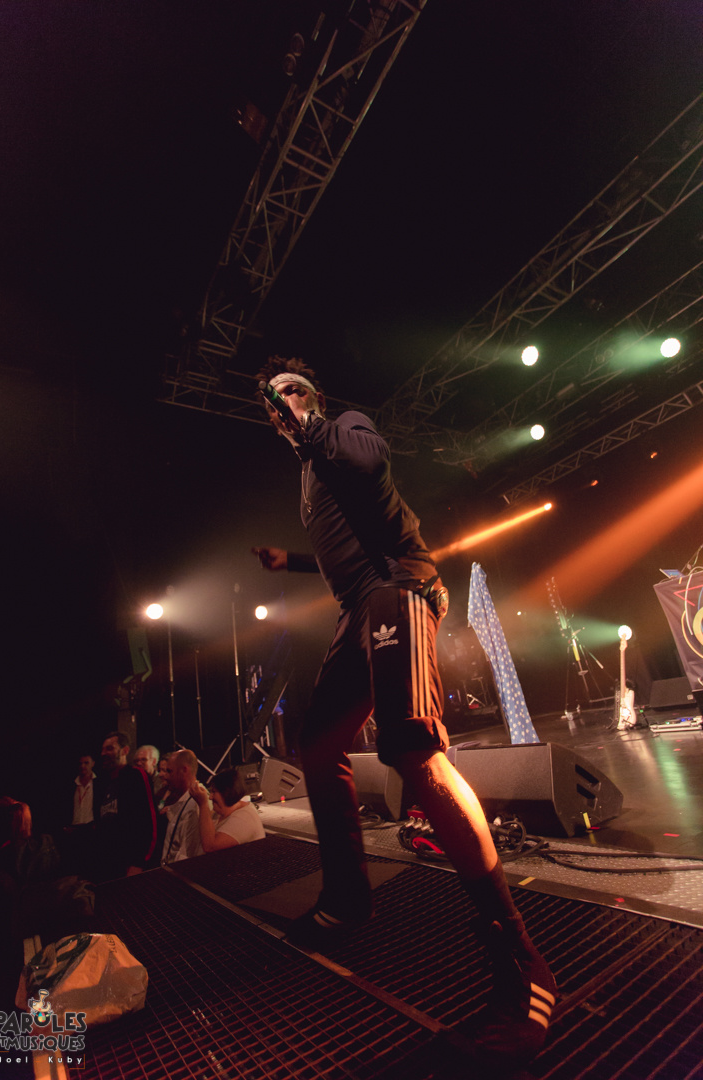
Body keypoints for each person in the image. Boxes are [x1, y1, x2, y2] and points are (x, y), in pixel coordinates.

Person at [253, 357, 556, 1066]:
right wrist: (293, 562)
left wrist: (309, 418)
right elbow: (344, 538)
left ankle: (523, 963)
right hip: (357, 606)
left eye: (297, 392)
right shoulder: (310, 471)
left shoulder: (345, 427)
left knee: (414, 751)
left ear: (314, 398)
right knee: (318, 745)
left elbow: (370, 460)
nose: (288, 404)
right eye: (279, 400)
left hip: (398, 589)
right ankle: (347, 898)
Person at [93, 731, 158, 880]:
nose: (103, 753)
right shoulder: (101, 783)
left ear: (125, 751)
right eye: (102, 749)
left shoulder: (135, 776)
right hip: (107, 865)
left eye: (109, 748)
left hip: (130, 865)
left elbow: (149, 822)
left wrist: (139, 862)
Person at [189, 768, 265, 852]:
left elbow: (210, 847)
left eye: (214, 792)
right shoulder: (221, 812)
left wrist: (203, 804)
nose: (210, 797)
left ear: (226, 793)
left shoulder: (245, 818)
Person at [161, 749, 205, 864]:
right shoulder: (181, 799)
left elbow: (188, 855)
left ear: (184, 770)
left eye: (169, 771)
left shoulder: (195, 803)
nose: (165, 777)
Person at [72, 754, 96, 825]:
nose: (82, 766)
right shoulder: (73, 785)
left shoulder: (99, 784)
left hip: (92, 827)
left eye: (86, 763)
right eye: (80, 763)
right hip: (74, 827)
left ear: (93, 764)